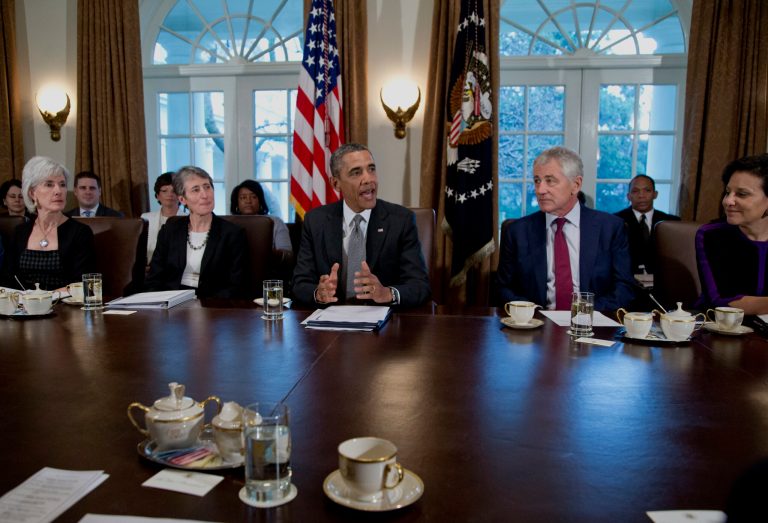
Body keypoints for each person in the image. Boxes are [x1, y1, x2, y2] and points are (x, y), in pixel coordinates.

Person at [292, 143, 431, 307]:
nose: (369, 179)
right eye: (356, 172)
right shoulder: (315, 221)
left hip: (384, 324)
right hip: (331, 322)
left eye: (371, 169)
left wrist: (387, 293)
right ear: (336, 183)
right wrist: (319, 293)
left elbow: (420, 286)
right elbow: (299, 285)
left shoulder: (401, 220)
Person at [496, 146, 635, 311]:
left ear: (575, 185)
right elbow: (503, 289)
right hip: (536, 325)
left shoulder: (610, 228)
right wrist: (532, 313)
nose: (540, 190)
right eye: (537, 180)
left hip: (592, 325)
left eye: (550, 180)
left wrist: (584, 314)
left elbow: (624, 288)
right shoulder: (518, 231)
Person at [145, 165, 248, 299]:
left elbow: (237, 286)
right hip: (171, 305)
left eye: (207, 187)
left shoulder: (233, 234)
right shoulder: (169, 231)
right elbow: (154, 279)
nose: (204, 195)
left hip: (213, 307)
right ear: (182, 199)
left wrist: (200, 305)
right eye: (195, 190)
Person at [2, 156, 96, 290]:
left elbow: (84, 284)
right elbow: (7, 280)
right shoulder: (19, 232)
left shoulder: (80, 232)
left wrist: (44, 299)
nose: (58, 191)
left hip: (65, 307)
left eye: (62, 184)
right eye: (49, 184)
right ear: (32, 193)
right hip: (23, 308)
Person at [696, 153, 768, 314]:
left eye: (742, 194)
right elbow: (722, 301)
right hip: (721, 330)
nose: (728, 201)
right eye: (728, 192)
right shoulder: (711, 235)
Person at [614, 174, 680, 275]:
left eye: (647, 190)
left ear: (655, 194)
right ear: (628, 196)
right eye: (635, 191)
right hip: (627, 281)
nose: (641, 196)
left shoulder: (671, 222)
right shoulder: (616, 221)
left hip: (662, 281)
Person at [230, 180, 292, 253]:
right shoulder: (228, 224)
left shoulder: (275, 222)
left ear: (260, 201)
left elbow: (287, 254)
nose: (248, 201)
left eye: (253, 197)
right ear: (237, 203)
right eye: (243, 197)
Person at [141, 172, 188, 264]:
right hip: (149, 268)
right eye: (164, 191)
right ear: (158, 196)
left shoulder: (189, 219)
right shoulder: (145, 218)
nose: (170, 194)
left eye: (174, 191)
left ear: (180, 196)